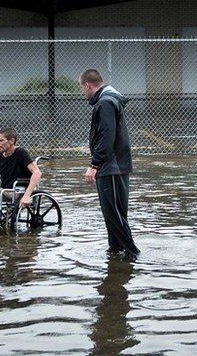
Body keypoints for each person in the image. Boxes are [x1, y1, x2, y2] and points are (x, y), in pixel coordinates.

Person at [80, 69, 140, 256]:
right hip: (117, 166)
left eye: (83, 89)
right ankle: (115, 249)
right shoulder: (111, 99)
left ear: (88, 85)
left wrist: (94, 165)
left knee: (113, 214)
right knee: (116, 214)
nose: (84, 93)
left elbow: (107, 137)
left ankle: (133, 254)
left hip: (110, 167)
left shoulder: (105, 103)